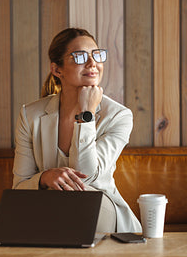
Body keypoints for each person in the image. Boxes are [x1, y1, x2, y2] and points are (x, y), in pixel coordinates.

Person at [12, 27, 141, 233]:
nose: (93, 63)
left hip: (98, 207)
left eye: (96, 55)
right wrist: (45, 178)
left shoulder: (119, 116)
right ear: (57, 70)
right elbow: (19, 189)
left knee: (77, 202)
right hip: (51, 210)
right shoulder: (31, 115)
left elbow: (87, 177)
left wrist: (86, 114)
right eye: (80, 56)